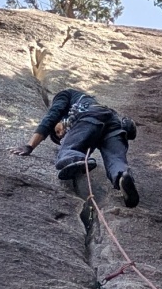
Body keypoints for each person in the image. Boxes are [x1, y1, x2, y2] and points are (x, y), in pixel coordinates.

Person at [12, 87, 141, 207]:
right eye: (60, 137)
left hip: (88, 115)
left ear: (59, 120)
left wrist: (29, 146)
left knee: (67, 149)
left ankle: (75, 158)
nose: (61, 134)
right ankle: (122, 177)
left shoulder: (65, 95)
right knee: (116, 159)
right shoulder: (92, 106)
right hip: (113, 124)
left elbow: (51, 116)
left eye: (57, 132)